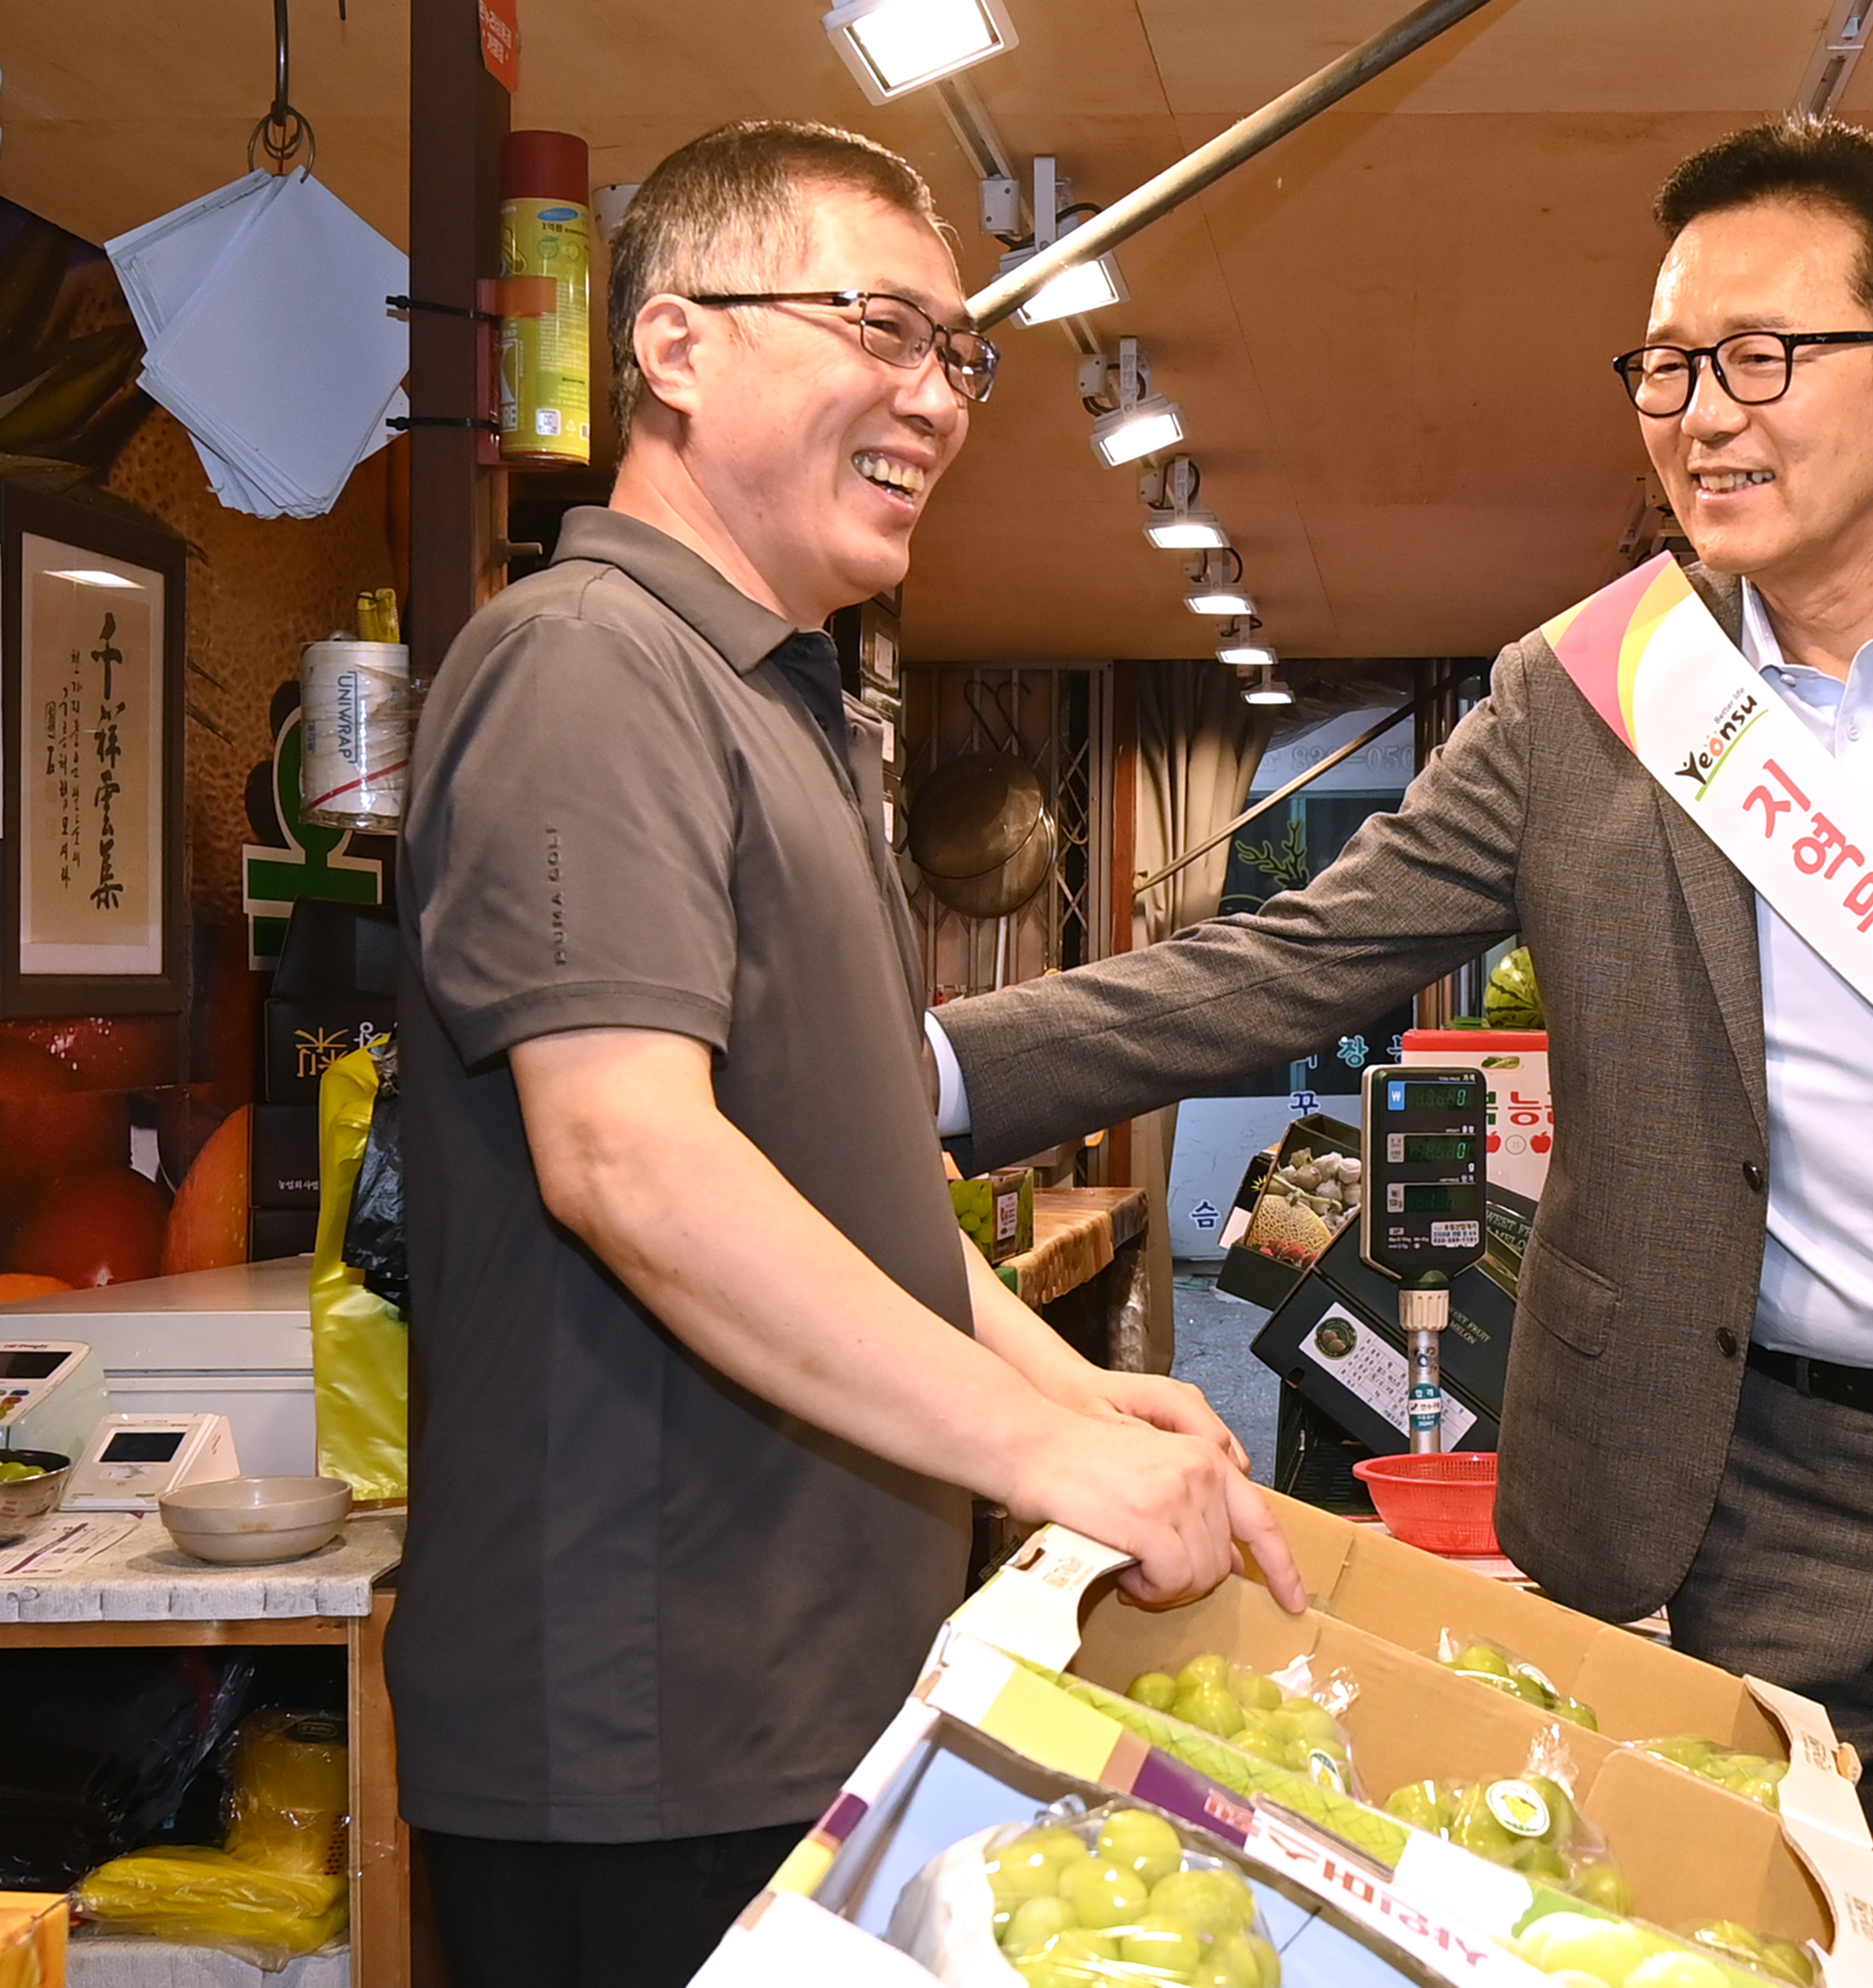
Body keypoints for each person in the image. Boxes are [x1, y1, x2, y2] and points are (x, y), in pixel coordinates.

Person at [931, 116, 1873, 1885]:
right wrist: (929, 1067)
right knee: (1735, 1923)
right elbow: (1291, 960)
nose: (1699, 414)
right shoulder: (1586, 697)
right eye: (1665, 366)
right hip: (1750, 1475)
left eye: (1760, 357)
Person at [392, 121, 1295, 1988]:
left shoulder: (786, 707)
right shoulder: (590, 659)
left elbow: (844, 1181)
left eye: (956, 352)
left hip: (808, 1696)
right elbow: (630, 1160)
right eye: (878, 326)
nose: (937, 395)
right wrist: (1038, 1453)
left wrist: (1070, 1390)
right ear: (674, 344)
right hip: (645, 1736)